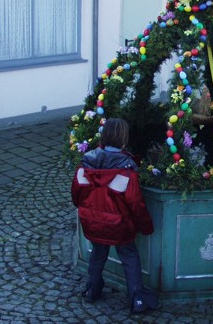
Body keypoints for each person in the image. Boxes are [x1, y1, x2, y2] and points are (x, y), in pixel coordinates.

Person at [71, 118, 158, 313]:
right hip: (119, 225)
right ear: (124, 140)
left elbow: (76, 195)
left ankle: (92, 289)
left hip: (93, 222)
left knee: (98, 253)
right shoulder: (126, 170)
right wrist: (146, 227)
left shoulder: (86, 164)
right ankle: (136, 299)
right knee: (129, 256)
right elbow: (136, 204)